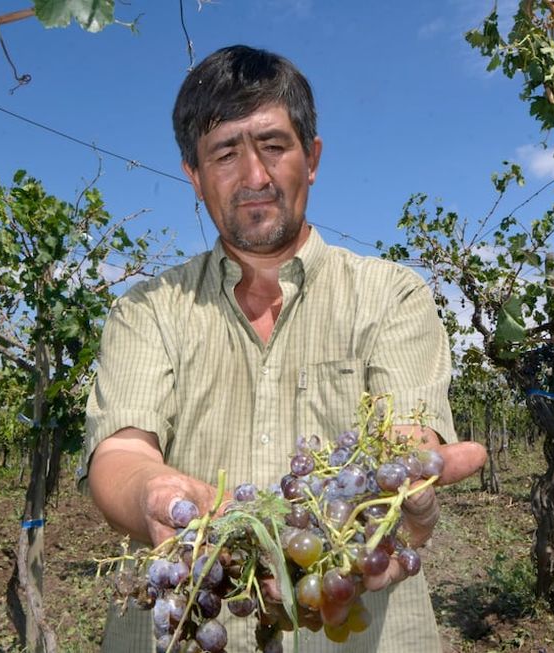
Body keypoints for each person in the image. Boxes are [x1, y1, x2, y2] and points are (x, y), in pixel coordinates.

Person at [81, 44, 487, 652]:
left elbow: (407, 433)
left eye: (273, 146)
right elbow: (120, 451)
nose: (254, 177)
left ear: (312, 157)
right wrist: (152, 493)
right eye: (224, 153)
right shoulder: (147, 311)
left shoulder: (391, 296)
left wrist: (396, 486)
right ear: (193, 174)